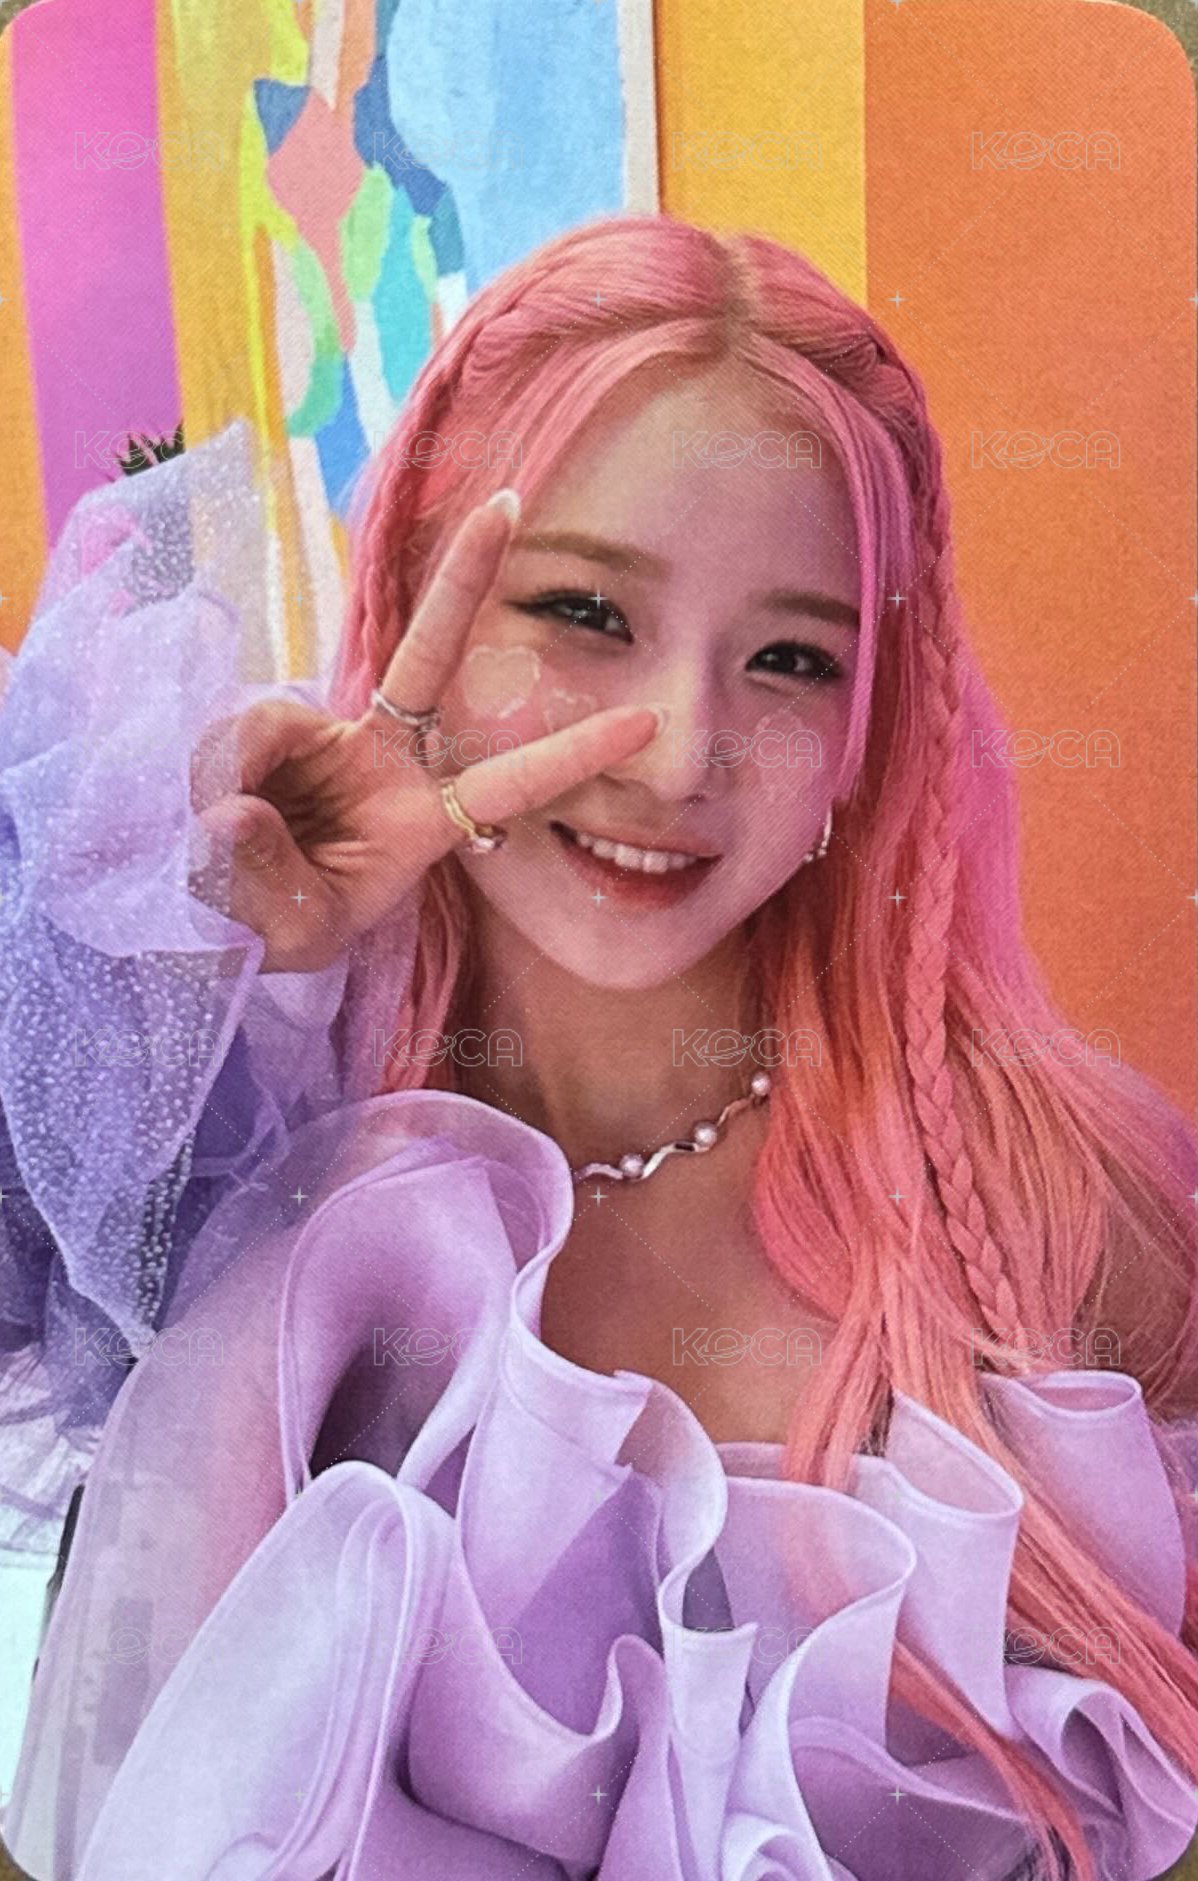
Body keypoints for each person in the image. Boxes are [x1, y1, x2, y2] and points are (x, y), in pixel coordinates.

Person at [1, 214, 1196, 1880]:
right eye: (581, 612)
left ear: (874, 720)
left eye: (790, 658)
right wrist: (187, 970)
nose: (678, 752)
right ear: (411, 588)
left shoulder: (1064, 1209)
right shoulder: (223, 1145)